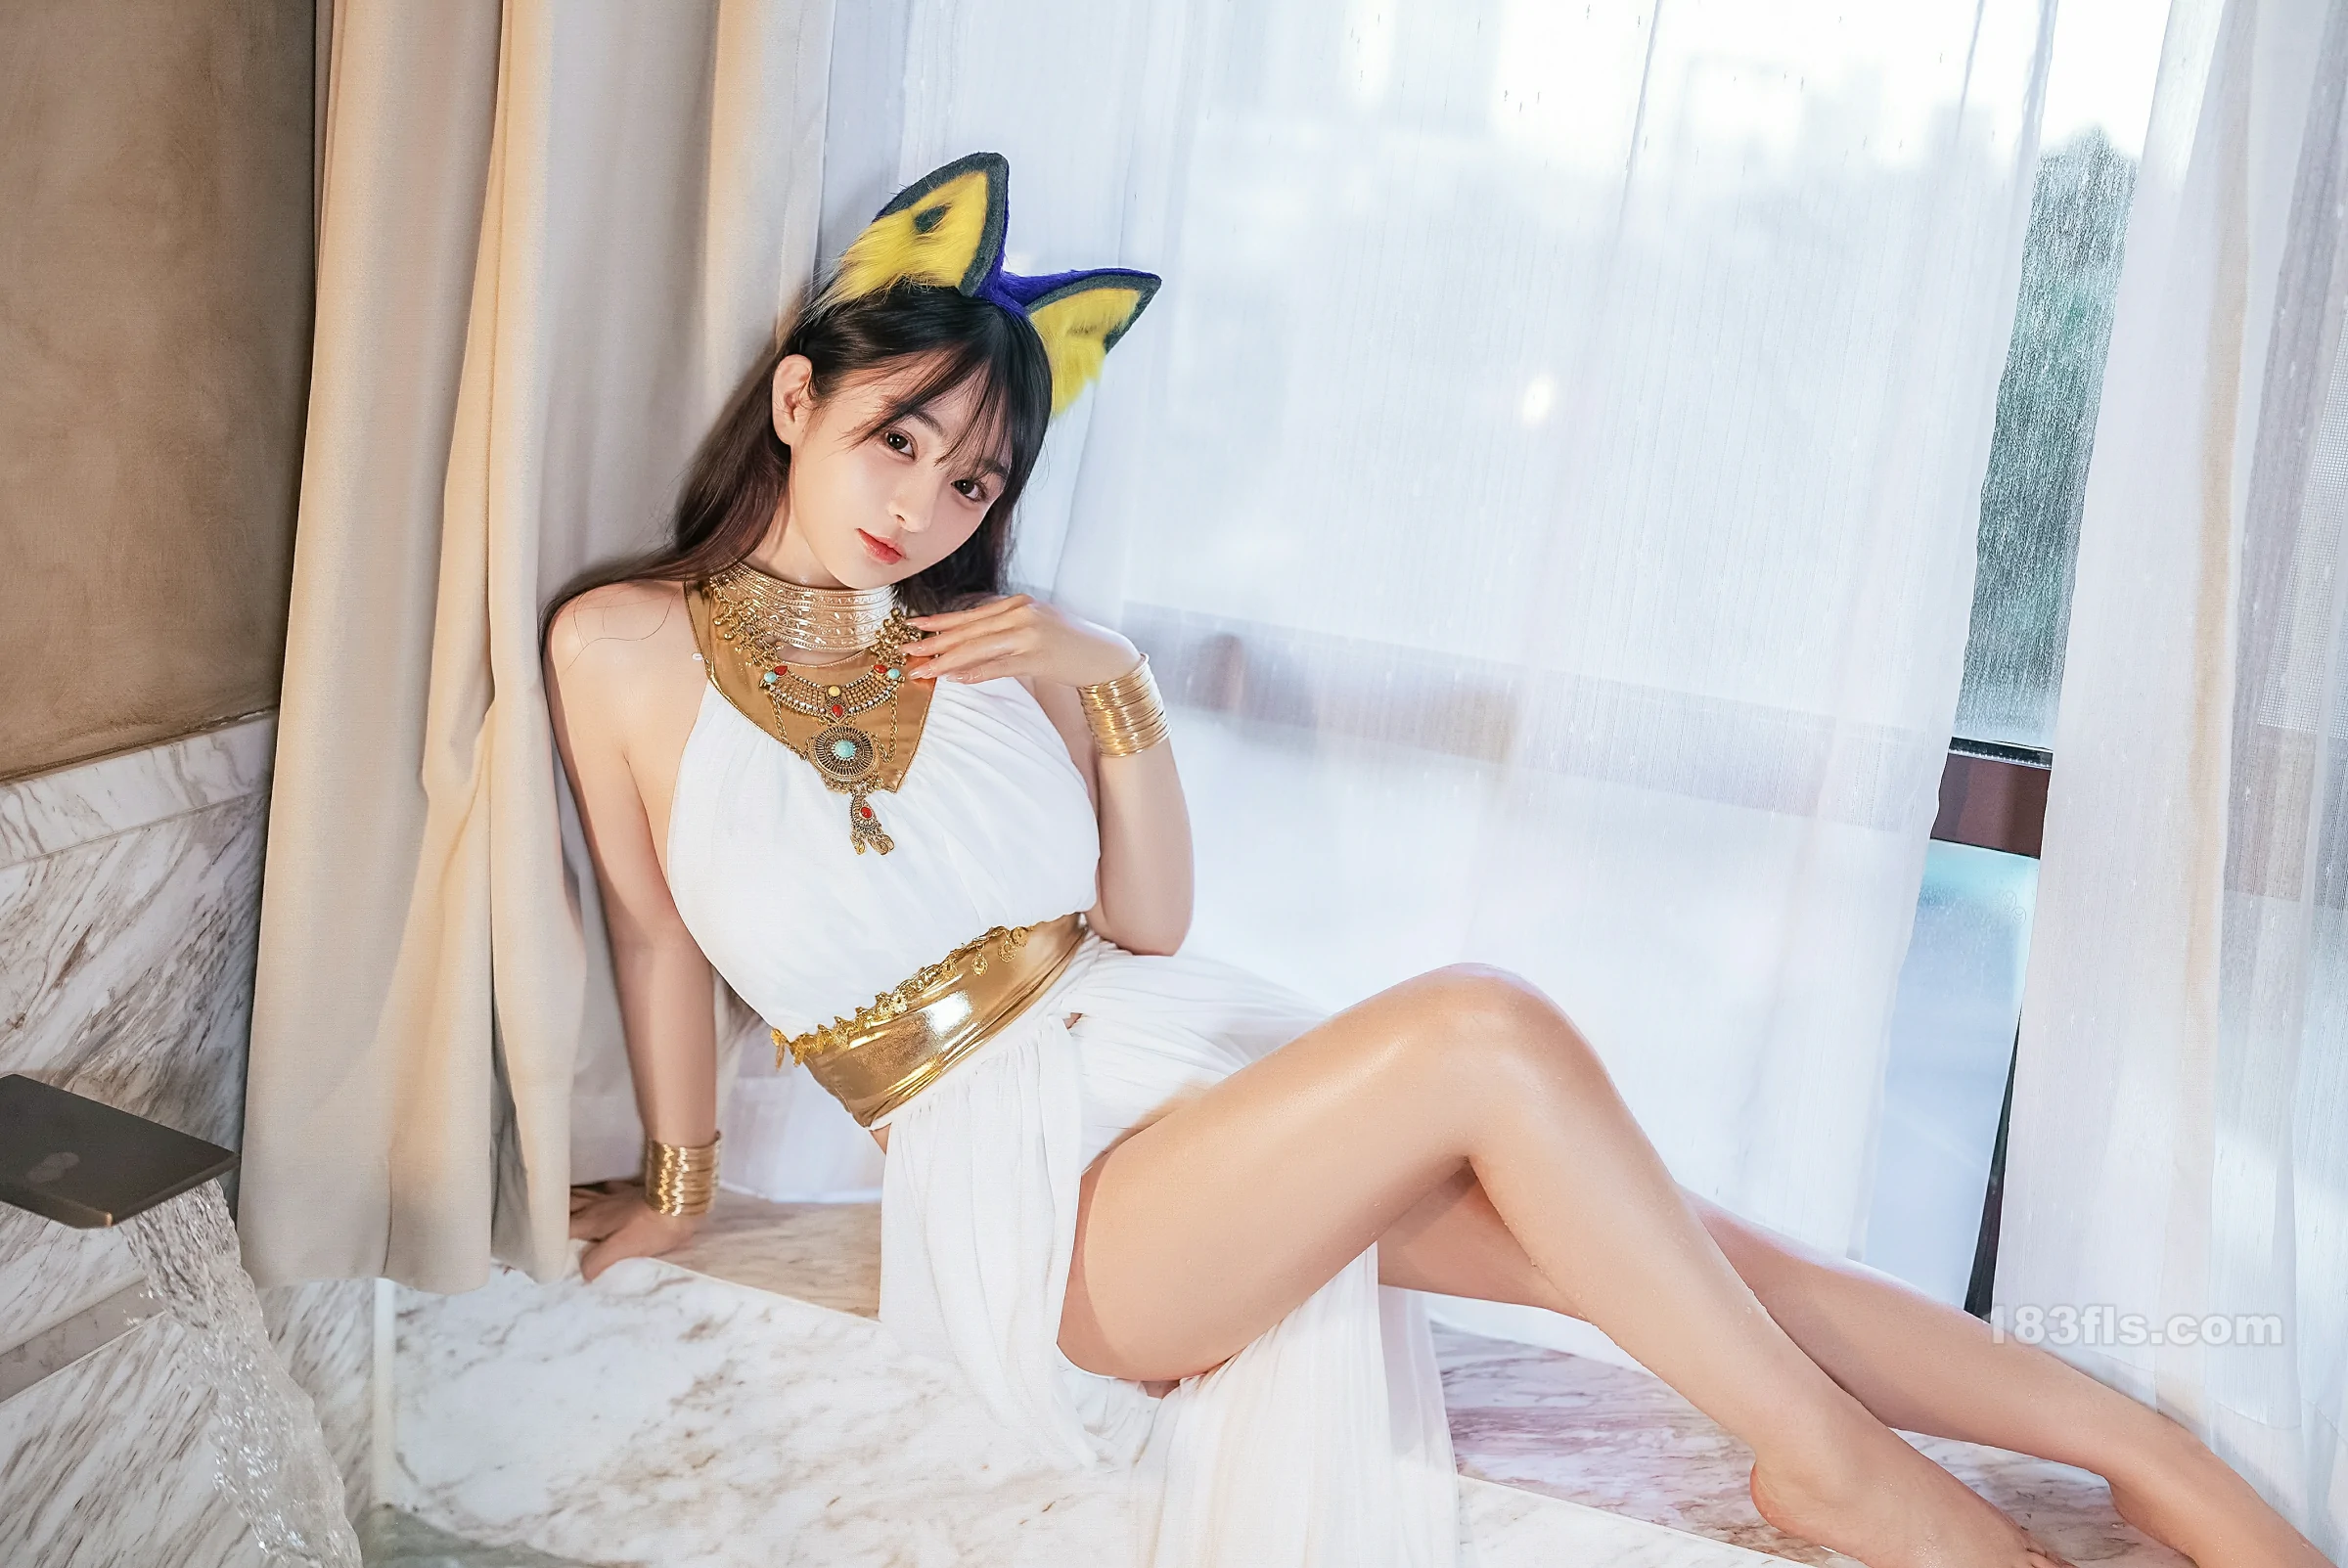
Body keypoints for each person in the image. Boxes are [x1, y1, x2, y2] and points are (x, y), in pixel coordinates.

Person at [543, 152, 2330, 1568]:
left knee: (1666, 1245)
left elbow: (1146, 926)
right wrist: (680, 1186)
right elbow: (651, 934)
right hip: (1043, 1213)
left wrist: (1113, 681)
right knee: (1483, 1023)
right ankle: (1839, 1466)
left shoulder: (997, 653)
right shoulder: (619, 647)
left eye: (970, 482)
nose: (924, 504)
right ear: (797, 399)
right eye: (901, 439)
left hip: (1176, 1074)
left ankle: (2137, 1449)